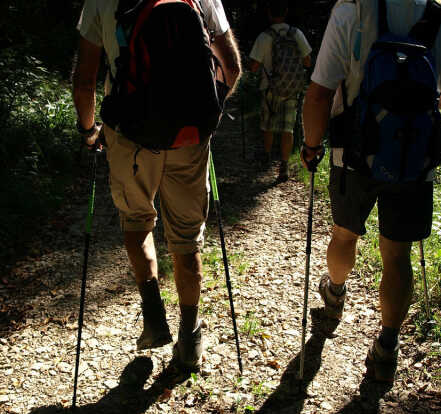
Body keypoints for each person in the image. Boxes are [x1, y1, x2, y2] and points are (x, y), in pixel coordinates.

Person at [301, 0, 441, 382]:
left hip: (353, 153)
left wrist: (311, 145)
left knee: (344, 234)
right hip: (414, 158)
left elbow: (319, 92)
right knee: (397, 255)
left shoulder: (351, 10)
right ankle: (387, 344)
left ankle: (334, 295)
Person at [72, 0, 241, 370]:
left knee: (136, 220)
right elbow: (231, 67)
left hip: (129, 135)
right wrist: (206, 118)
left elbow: (85, 81)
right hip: (189, 138)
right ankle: (191, 336)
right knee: (186, 236)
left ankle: (153, 316)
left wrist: (89, 132)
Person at [248, 0, 312, 182]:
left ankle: (266, 160)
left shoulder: (264, 37)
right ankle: (283, 165)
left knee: (268, 126)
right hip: (292, 88)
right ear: (285, 12)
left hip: (270, 89)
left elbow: (253, 66)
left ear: (269, 13)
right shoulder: (296, 34)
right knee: (288, 128)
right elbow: (308, 61)